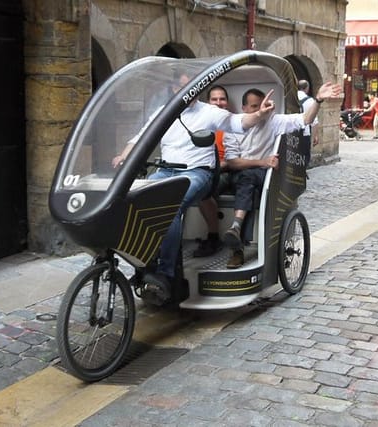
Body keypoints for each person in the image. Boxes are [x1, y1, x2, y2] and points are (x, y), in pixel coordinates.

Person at [112, 74, 275, 298]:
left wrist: (259, 113)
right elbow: (139, 139)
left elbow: (239, 122)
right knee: (133, 201)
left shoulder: (208, 112)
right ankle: (144, 264)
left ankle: (166, 275)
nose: (190, 91)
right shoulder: (164, 111)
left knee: (171, 205)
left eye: (194, 87)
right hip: (165, 171)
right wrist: (123, 156)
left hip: (198, 172)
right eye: (183, 86)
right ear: (173, 88)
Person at [223, 82, 342, 269]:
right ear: (244, 108)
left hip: (264, 175)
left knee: (250, 178)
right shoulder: (234, 125)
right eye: (254, 106)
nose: (261, 109)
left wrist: (318, 100)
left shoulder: (274, 121)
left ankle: (236, 231)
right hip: (242, 174)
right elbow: (232, 162)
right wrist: (262, 161)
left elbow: (305, 119)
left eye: (263, 104)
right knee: (246, 179)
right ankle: (235, 235)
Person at [192, 85, 233, 257]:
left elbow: (232, 159)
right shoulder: (202, 123)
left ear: (227, 102)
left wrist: (214, 167)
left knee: (204, 189)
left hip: (224, 170)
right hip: (202, 167)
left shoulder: (232, 124)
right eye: (214, 99)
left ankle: (213, 237)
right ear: (207, 102)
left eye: (222, 99)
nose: (218, 102)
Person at [297, 79, 319, 167]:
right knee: (304, 155)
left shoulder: (290, 98)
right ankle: (302, 172)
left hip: (290, 132)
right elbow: (314, 121)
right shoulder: (310, 101)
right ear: (307, 88)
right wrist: (315, 136)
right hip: (304, 133)